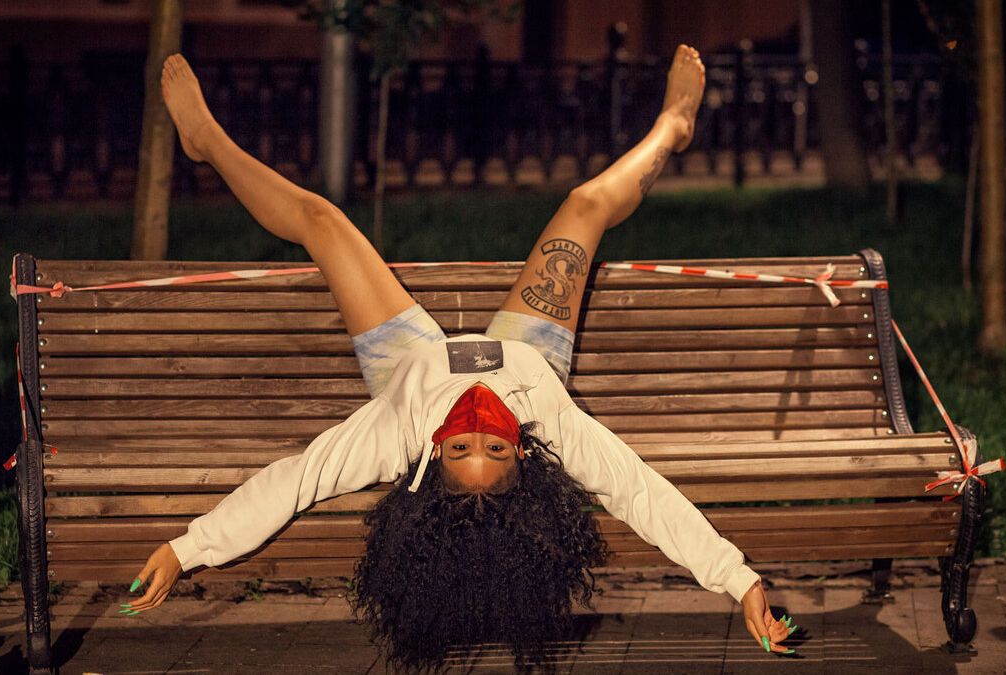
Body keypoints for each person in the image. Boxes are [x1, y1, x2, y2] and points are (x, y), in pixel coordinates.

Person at [121, 46, 795, 669]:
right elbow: (645, 497)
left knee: (323, 222)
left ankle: (205, 140)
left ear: (431, 454)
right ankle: (673, 127)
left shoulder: (398, 431)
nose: (477, 422)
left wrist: (187, 548)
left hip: (406, 362)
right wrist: (739, 581)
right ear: (523, 453)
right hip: (529, 351)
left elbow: (293, 482)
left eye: (460, 446)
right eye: (494, 447)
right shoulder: (555, 430)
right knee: (585, 204)